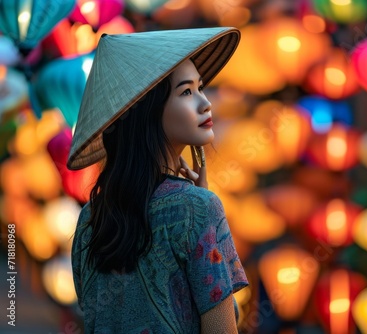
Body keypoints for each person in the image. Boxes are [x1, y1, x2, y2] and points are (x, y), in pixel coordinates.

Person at [68, 27, 248, 333]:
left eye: (201, 88)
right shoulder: (197, 209)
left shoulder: (89, 219)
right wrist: (203, 204)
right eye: (186, 92)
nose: (205, 103)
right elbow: (222, 325)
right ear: (148, 112)